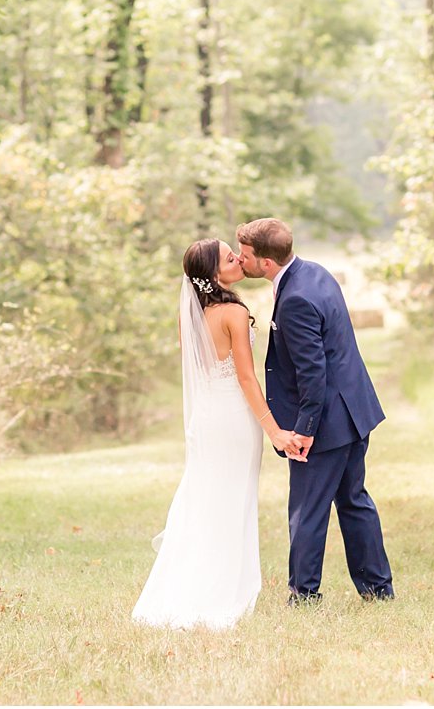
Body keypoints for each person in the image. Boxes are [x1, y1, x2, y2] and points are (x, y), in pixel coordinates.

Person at [131, 238, 302, 630]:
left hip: (206, 420)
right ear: (213, 275)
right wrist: (274, 430)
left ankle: (191, 584)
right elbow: (246, 377)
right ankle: (223, 588)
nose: (238, 259)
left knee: (207, 498)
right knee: (233, 500)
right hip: (234, 420)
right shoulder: (233, 313)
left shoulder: (191, 316)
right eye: (230, 258)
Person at [235, 217, 394, 604]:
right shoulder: (315, 273)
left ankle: (303, 595)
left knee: (307, 509)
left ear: (267, 264)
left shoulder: (295, 300)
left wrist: (304, 429)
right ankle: (378, 589)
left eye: (245, 256)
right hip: (355, 411)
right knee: (354, 501)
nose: (240, 261)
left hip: (327, 421)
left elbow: (313, 371)